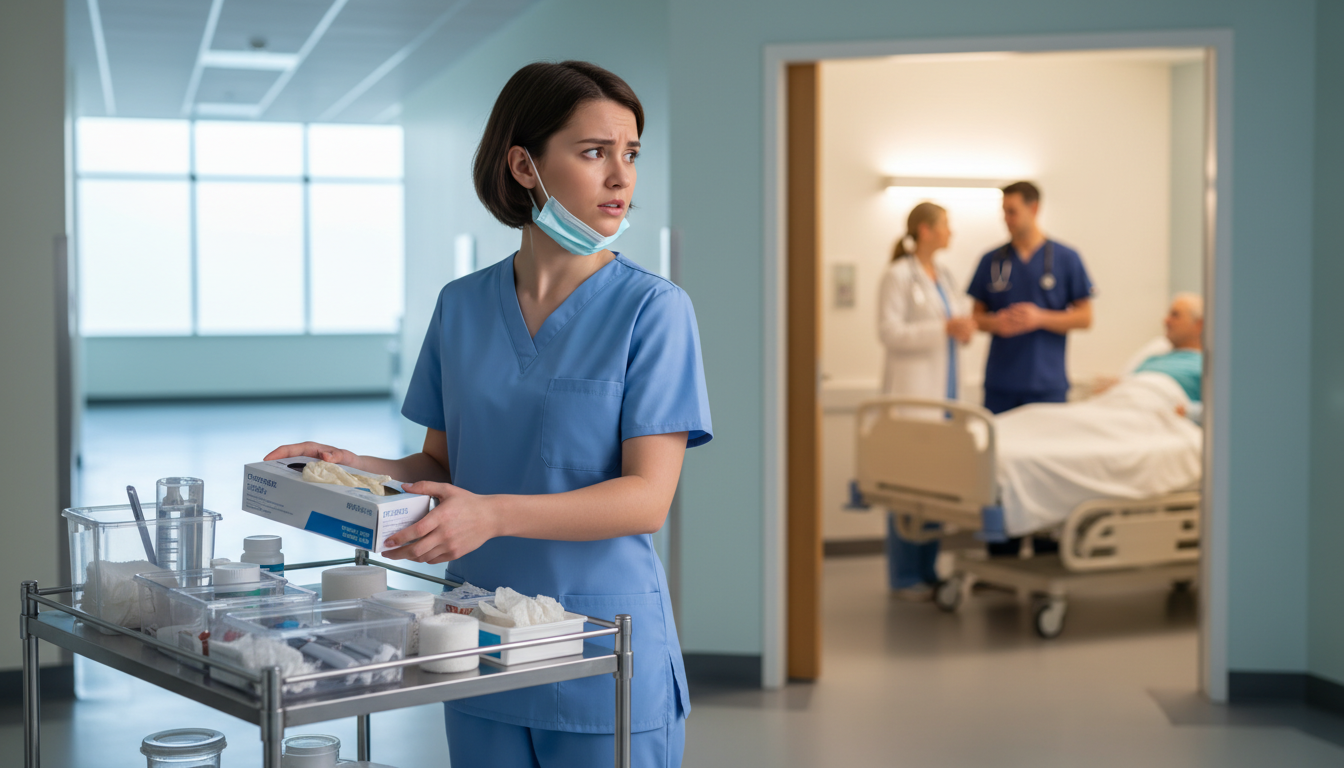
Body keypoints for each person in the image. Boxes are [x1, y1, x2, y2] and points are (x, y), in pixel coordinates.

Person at [264, 61, 710, 768]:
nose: (621, 178)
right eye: (594, 152)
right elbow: (441, 465)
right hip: (474, 638)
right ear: (524, 165)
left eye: (630, 154)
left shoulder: (653, 311)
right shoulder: (462, 306)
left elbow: (646, 499)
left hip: (596, 642)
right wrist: (355, 470)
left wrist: (492, 515)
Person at [967, 181, 1093, 557]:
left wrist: (1040, 317)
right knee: (999, 475)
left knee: (1046, 472)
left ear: (1034, 209)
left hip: (1047, 385)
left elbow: (1085, 318)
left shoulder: (1066, 258)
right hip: (1003, 384)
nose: (1006, 219)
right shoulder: (992, 260)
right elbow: (976, 318)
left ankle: (1044, 555)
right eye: (1003, 211)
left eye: (1012, 211)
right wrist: (997, 323)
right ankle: (1000, 562)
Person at [877, 202, 974, 599]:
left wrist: (962, 329)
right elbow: (890, 332)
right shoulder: (897, 275)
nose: (951, 232)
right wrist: (943, 328)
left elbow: (956, 323)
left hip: (946, 397)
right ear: (926, 229)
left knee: (935, 490)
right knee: (907, 488)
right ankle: (905, 577)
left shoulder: (946, 277)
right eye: (946, 225)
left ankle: (928, 570)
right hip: (913, 398)